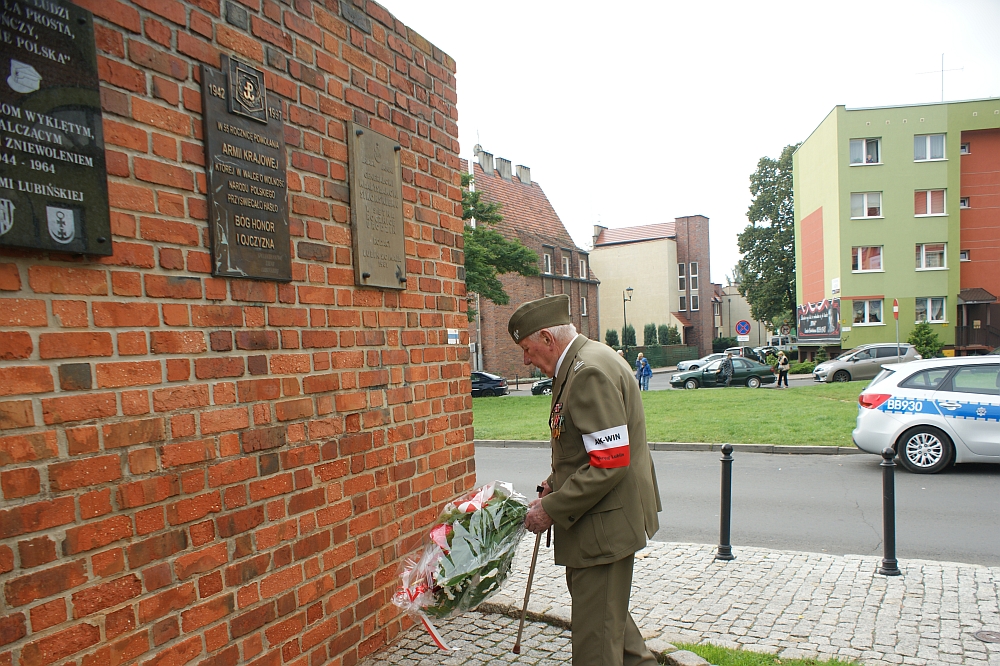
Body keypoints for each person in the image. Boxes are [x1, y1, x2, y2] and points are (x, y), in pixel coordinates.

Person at [508, 294, 661, 666]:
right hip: (601, 524)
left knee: (596, 647)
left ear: (547, 338)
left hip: (602, 529)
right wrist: (553, 483)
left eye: (527, 350)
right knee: (615, 631)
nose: (526, 361)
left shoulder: (586, 372)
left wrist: (551, 508)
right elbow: (583, 449)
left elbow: (609, 462)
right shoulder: (585, 361)